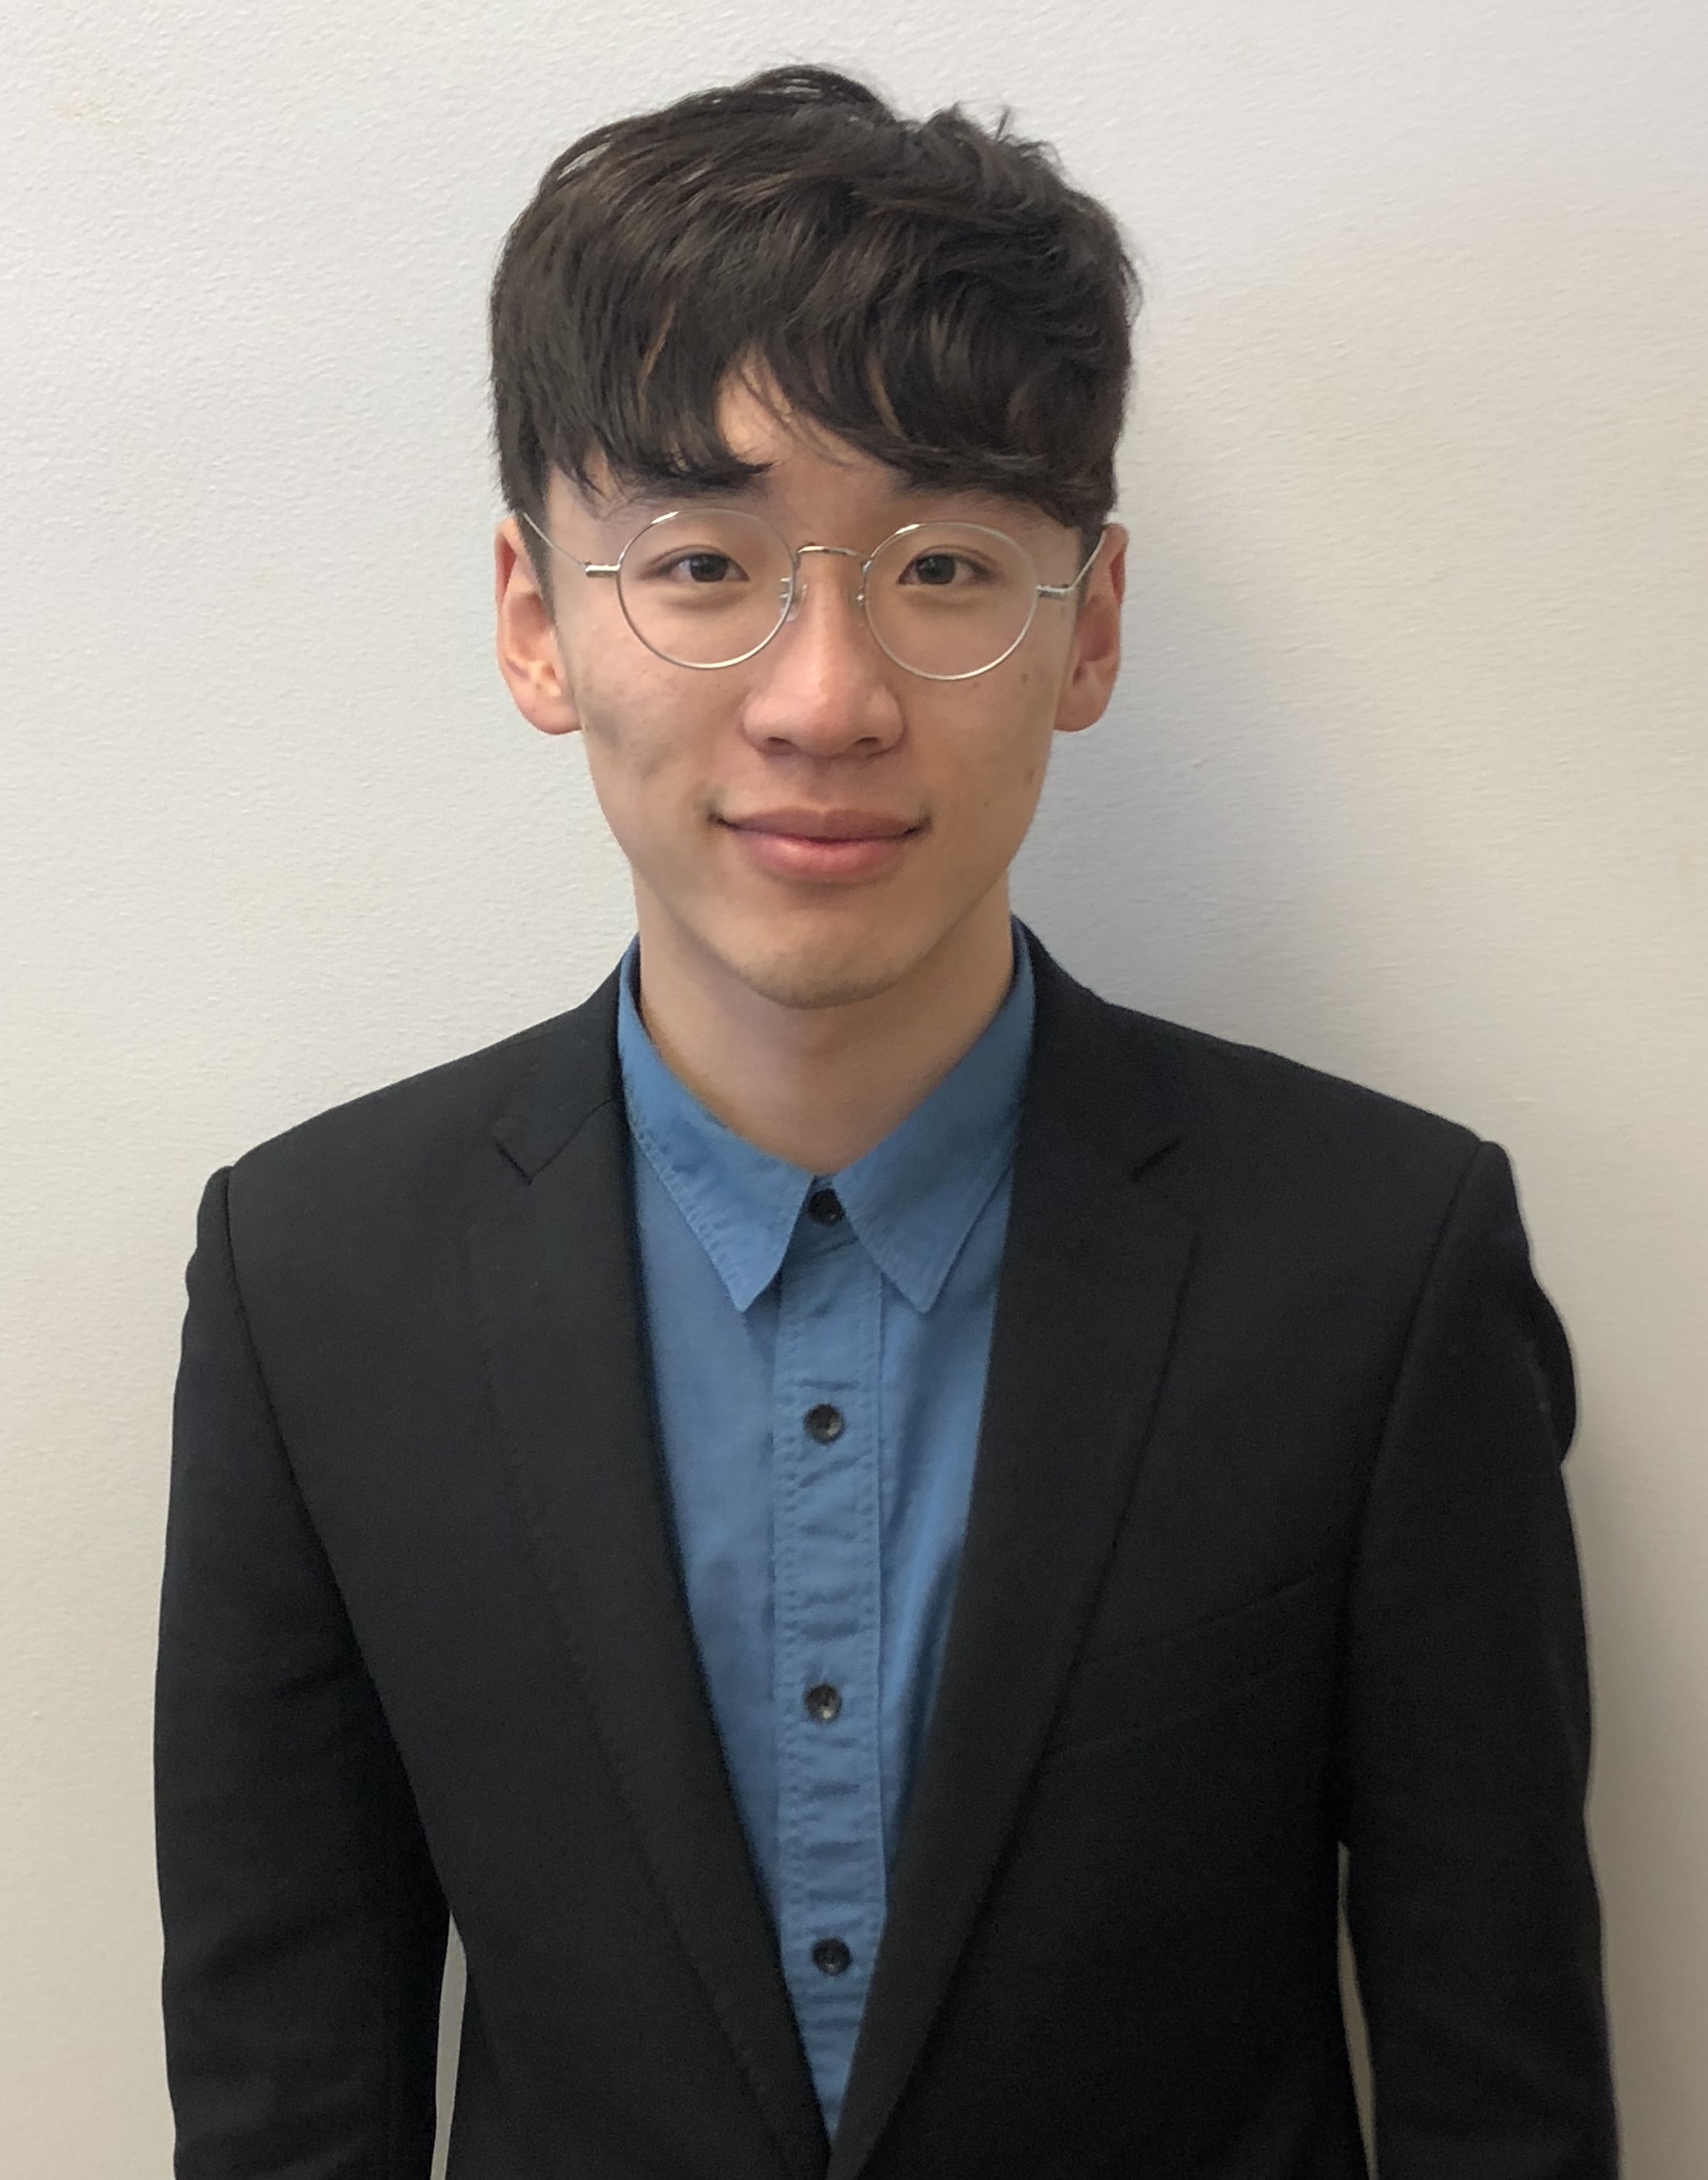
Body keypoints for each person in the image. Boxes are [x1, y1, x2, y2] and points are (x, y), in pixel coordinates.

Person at [154, 64, 1617, 2180]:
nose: (823, 697)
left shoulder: (1377, 1265)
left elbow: (1504, 2106)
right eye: (700, 562)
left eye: (941, 567)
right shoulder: (315, 1281)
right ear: (535, 622)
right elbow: (286, 2096)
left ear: (1086, 626)